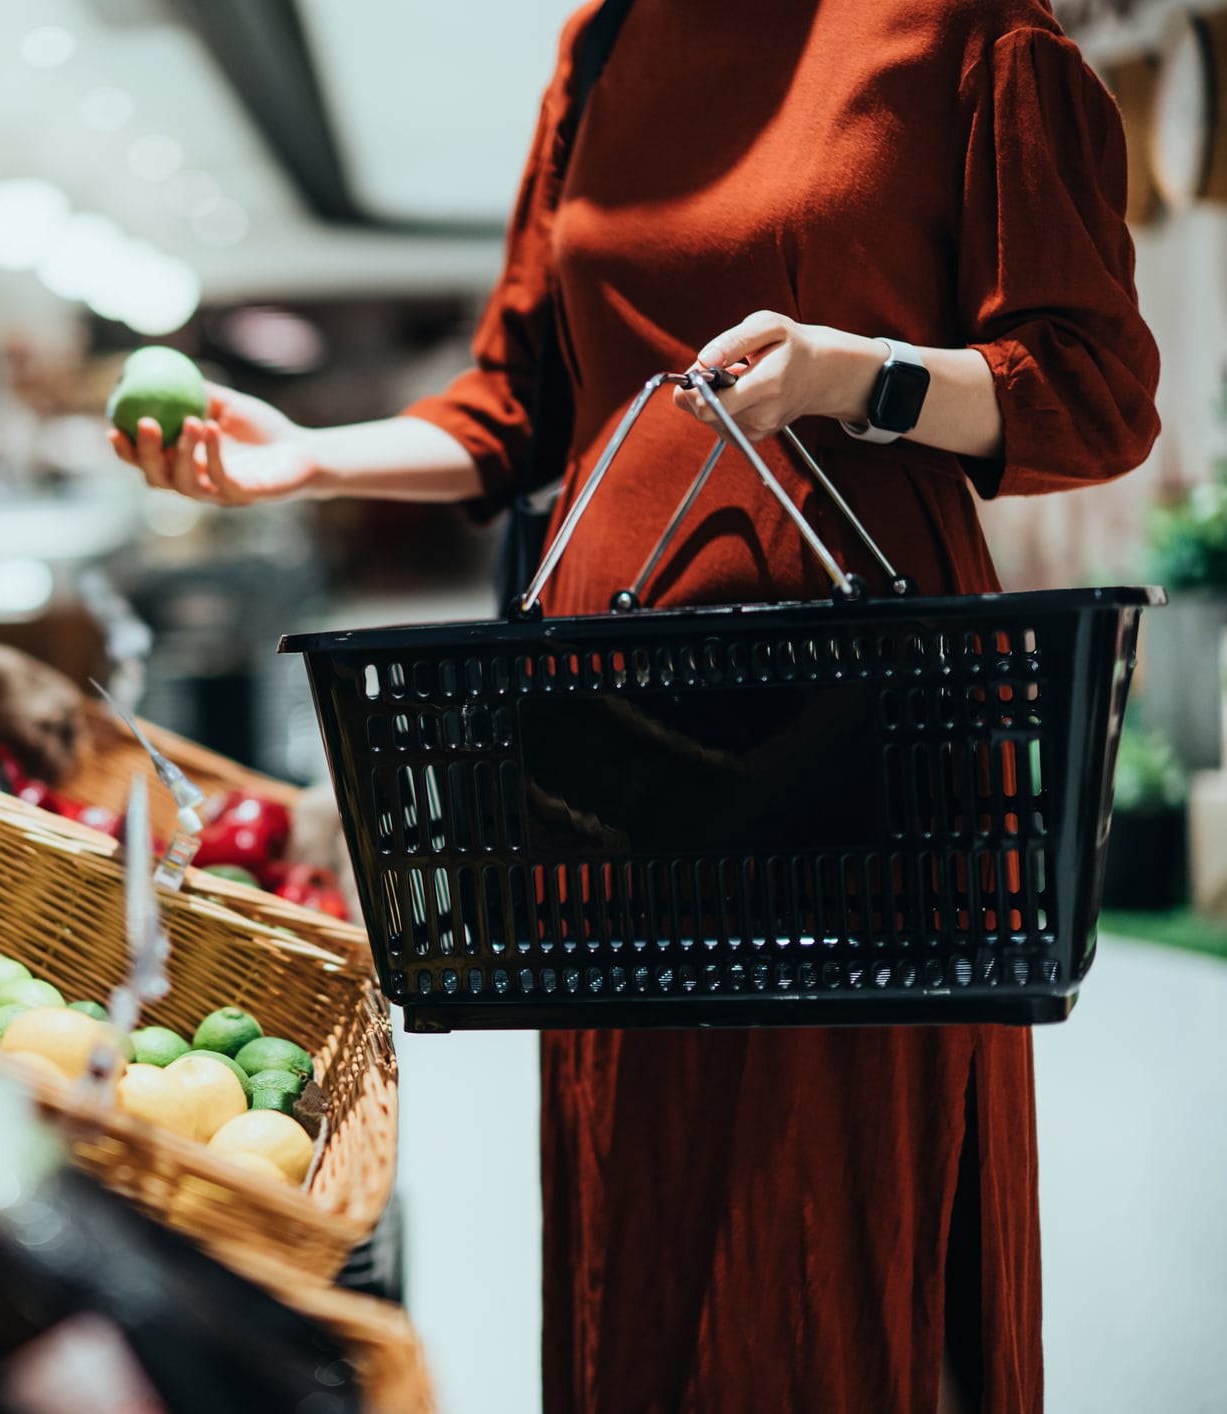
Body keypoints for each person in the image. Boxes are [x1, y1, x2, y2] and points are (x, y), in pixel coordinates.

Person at [110, 2, 1159, 1410]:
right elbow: (512, 406)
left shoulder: (959, 29)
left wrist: (865, 375)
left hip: (867, 721)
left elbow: (1093, 392)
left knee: (840, 1189)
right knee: (642, 1168)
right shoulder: (604, 40)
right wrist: (302, 458)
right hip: (605, 729)